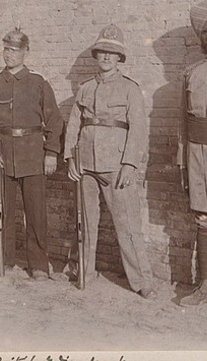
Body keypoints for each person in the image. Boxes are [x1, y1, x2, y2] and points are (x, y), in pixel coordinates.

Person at [64, 24, 156, 299]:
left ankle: (142, 282)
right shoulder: (85, 88)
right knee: (85, 222)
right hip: (85, 165)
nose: (106, 57)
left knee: (127, 225)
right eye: (102, 52)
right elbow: (74, 125)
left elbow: (138, 130)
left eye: (112, 53)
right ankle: (83, 270)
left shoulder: (130, 90)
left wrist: (130, 164)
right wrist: (70, 156)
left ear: (119, 58)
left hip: (116, 166)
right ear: (96, 55)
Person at [0, 28, 64, 281]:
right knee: (2, 209)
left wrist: (51, 153)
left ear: (26, 52)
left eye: (14, 50)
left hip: (33, 153)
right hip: (2, 153)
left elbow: (55, 121)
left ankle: (38, 265)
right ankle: (4, 259)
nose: (9, 55)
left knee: (36, 213)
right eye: (6, 49)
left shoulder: (38, 83)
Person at [177, 0, 207, 306]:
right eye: (206, 33)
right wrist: (182, 162)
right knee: (203, 217)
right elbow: (183, 122)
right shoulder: (190, 73)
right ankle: (205, 286)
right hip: (197, 155)